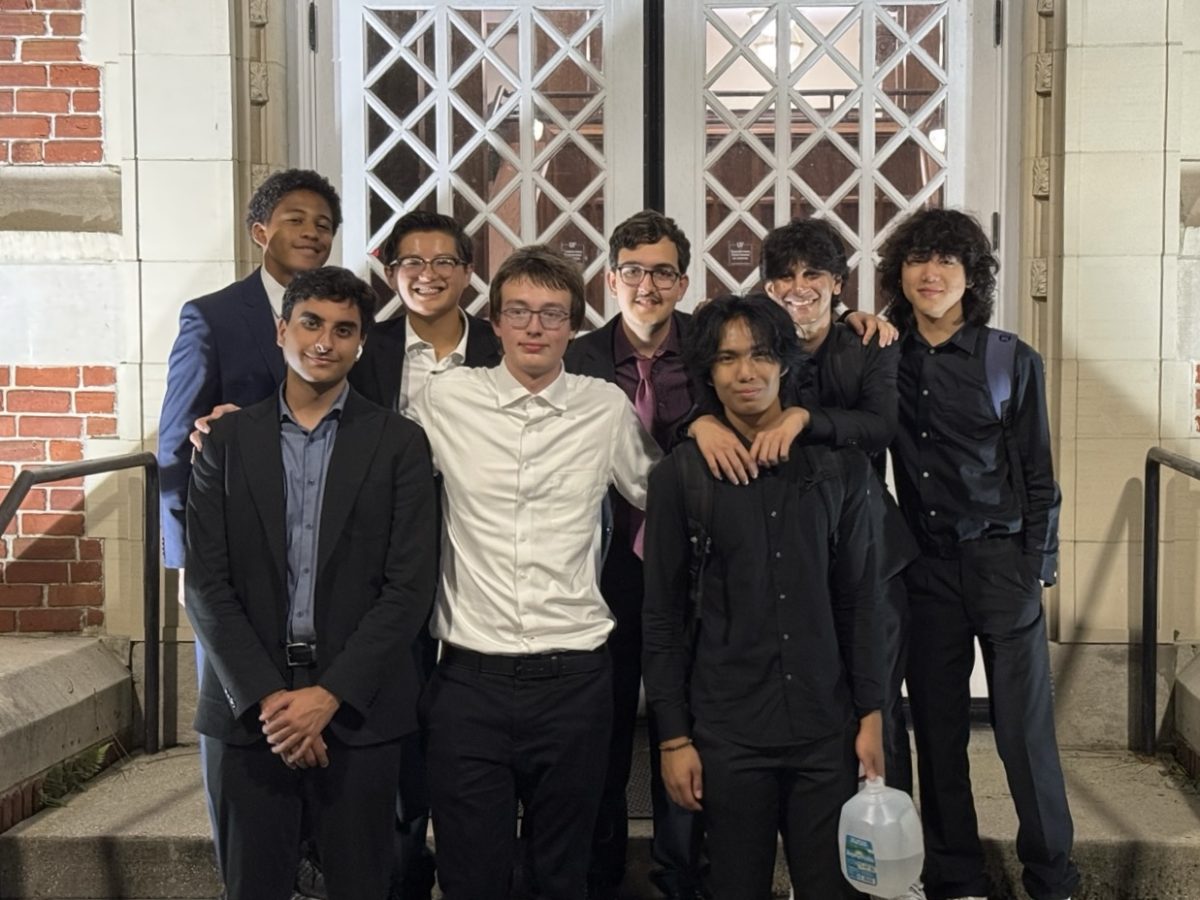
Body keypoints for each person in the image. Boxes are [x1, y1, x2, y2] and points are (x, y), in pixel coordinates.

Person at [406, 245, 660, 900]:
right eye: (519, 310)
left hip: (574, 681)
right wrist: (249, 429)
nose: (535, 327)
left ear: (574, 325)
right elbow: (370, 463)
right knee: (471, 877)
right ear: (495, 321)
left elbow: (660, 492)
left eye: (552, 313)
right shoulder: (444, 399)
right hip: (468, 681)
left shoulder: (604, 409)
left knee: (563, 875)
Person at [185, 266, 438, 900]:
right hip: (249, 714)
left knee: (362, 885)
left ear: (361, 344)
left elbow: (407, 588)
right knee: (253, 888)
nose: (325, 341)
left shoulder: (400, 444)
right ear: (282, 330)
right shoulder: (226, 441)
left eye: (344, 329)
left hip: (358, 711)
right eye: (311, 323)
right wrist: (271, 699)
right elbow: (207, 584)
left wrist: (329, 696)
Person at [642, 294, 884, 900]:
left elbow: (861, 601)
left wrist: (872, 714)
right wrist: (673, 738)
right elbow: (663, 617)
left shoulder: (839, 469)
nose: (745, 372)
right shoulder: (681, 475)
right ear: (708, 371)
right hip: (728, 733)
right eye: (726, 359)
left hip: (825, 729)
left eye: (759, 355)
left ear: (782, 363)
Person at [880, 208, 1079, 900]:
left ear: (971, 277)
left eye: (948, 261)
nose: (930, 274)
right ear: (900, 273)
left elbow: (1040, 474)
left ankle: (1052, 880)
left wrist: (1035, 567)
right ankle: (955, 877)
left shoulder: (1008, 359)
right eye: (918, 260)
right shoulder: (884, 358)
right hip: (926, 572)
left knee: (1025, 737)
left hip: (1001, 567)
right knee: (936, 735)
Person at [691, 218, 918, 804]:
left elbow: (882, 425)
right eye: (785, 277)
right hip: (783, 539)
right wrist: (701, 423)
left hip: (865, 540)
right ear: (768, 287)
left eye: (813, 273)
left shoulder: (870, 340)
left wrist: (803, 419)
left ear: (838, 281)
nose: (799, 287)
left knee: (878, 699)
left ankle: (888, 851)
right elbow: (705, 391)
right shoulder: (760, 345)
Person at [348, 209, 500, 900]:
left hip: (486, 550)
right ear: (390, 273)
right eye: (413, 262)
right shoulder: (362, 351)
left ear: (468, 274)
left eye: (445, 262)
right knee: (398, 699)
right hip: (386, 556)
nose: (429, 274)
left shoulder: (504, 347)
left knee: (471, 698)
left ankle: (476, 843)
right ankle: (404, 857)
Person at [563, 209, 705, 900]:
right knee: (606, 727)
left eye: (663, 272)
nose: (647, 286)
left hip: (697, 569)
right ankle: (601, 873)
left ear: (683, 282)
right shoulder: (577, 355)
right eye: (634, 271)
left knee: (691, 723)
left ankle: (685, 873)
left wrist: (868, 319)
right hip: (603, 566)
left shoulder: (712, 351)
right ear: (611, 278)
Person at [159, 168, 342, 570]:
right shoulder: (212, 317)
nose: (311, 232)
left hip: (324, 540)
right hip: (235, 535)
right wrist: (185, 559)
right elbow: (175, 440)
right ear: (261, 233)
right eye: (295, 220)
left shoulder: (346, 321)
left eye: (323, 224)